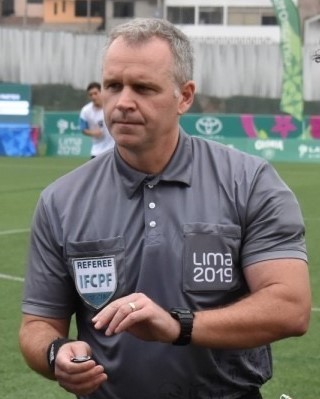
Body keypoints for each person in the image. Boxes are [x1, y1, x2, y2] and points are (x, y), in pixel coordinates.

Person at [19, 18, 311, 399]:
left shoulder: (249, 182)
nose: (123, 102)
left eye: (143, 88)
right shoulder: (61, 200)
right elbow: (38, 324)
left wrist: (179, 326)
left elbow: (290, 307)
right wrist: (55, 352)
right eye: (113, 86)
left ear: (185, 96)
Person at [79, 81, 114, 158]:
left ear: (101, 92)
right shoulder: (86, 111)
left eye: (95, 93)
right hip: (97, 151)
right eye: (90, 95)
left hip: (114, 150)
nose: (93, 97)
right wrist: (93, 133)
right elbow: (83, 129)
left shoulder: (112, 106)